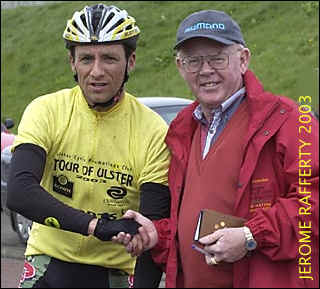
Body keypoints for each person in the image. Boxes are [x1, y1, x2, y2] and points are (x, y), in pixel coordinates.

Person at [112, 9, 319, 288]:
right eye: (194, 61)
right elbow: (188, 225)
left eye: (217, 58)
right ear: (180, 66)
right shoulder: (183, 129)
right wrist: (156, 236)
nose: (206, 70)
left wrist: (250, 236)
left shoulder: (289, 119)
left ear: (243, 59)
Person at [7, 3, 171, 288]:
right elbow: (20, 192)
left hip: (115, 271)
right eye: (86, 59)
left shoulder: (153, 130)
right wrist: (98, 226)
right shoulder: (47, 110)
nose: (97, 71)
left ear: (130, 61)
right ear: (72, 63)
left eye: (109, 58)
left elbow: (150, 228)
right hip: (49, 262)